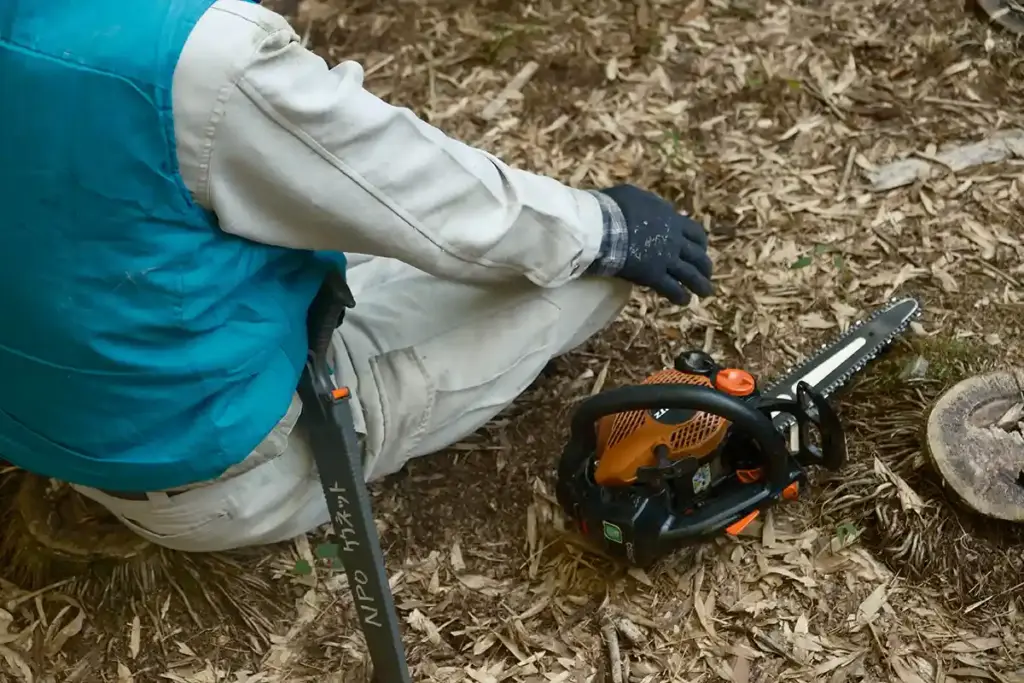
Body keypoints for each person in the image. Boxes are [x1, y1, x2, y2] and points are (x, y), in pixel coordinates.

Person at [0, 0, 714, 553]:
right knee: (585, 276)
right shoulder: (195, 61)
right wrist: (609, 228)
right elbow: (424, 194)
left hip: (50, 420)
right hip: (212, 468)